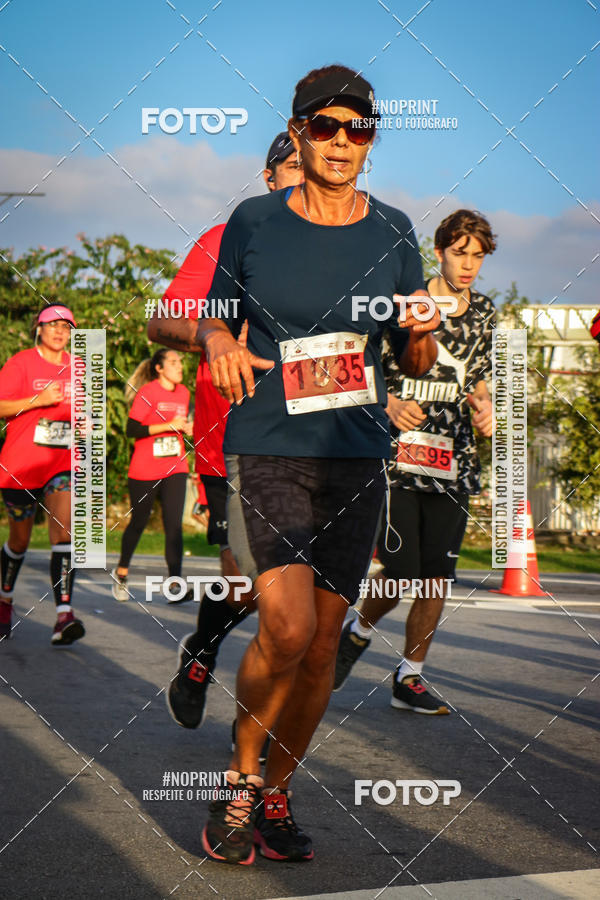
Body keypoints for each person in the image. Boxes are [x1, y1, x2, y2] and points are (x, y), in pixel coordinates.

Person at [191, 64, 440, 866]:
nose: (341, 142)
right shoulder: (256, 220)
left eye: (357, 129)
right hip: (265, 445)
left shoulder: (395, 230)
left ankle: (276, 792)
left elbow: (413, 354)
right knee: (288, 627)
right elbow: (211, 320)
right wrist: (222, 341)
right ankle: (239, 776)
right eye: (325, 127)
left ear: (372, 139)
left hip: (355, 452)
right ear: (298, 130)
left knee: (325, 645)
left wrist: (424, 328)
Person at [149, 133, 303, 734]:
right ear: (269, 177)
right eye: (293, 165)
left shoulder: (347, 251)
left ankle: (262, 752)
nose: (305, 176)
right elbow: (164, 318)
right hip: (231, 443)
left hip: (317, 446)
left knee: (301, 601)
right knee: (249, 583)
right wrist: (215, 337)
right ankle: (204, 658)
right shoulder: (223, 241)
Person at [334, 209, 497, 714]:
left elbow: (479, 379)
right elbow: (360, 367)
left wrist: (486, 405)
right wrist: (387, 405)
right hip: (399, 459)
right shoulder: (411, 304)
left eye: (477, 256)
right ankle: (357, 630)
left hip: (454, 460)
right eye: (459, 252)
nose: (468, 264)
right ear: (440, 249)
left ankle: (410, 677)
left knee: (436, 576)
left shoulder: (486, 312)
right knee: (402, 571)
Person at [0, 304, 83, 644]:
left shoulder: (78, 367)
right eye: (53, 324)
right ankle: (4, 601)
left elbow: (86, 412)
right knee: (19, 540)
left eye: (67, 326)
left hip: (60, 465)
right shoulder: (21, 362)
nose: (60, 331)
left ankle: (64, 615)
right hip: (20, 466)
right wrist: (38, 399)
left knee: (64, 535)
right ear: (39, 328)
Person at [110, 349, 193, 602]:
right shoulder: (147, 392)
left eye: (180, 362)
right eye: (173, 362)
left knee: (174, 526)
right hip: (145, 468)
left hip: (175, 466)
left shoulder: (185, 393)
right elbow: (132, 428)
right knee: (139, 521)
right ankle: (122, 572)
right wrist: (168, 425)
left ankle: (175, 586)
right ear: (159, 368)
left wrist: (187, 429)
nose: (180, 366)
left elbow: (182, 427)